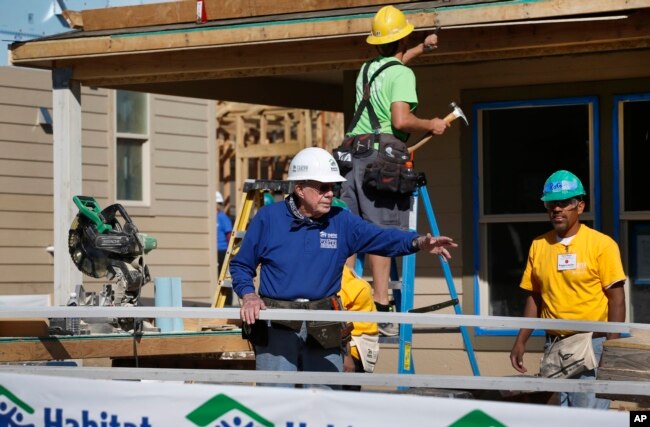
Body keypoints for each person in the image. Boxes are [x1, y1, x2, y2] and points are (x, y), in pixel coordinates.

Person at [230, 147, 458, 388]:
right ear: (299, 189)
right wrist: (249, 296)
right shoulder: (269, 218)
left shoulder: (341, 221)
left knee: (325, 400)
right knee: (275, 399)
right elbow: (241, 265)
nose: (330, 194)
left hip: (324, 322)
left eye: (333, 187)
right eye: (323, 188)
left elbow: (382, 237)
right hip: (277, 323)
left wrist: (420, 242)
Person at [339, 5, 450, 336]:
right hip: (382, 163)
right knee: (382, 231)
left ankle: (344, 297)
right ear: (402, 39)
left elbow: (393, 64)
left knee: (349, 231)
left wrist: (421, 48)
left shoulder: (367, 69)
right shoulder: (402, 74)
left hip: (352, 157)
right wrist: (431, 123)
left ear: (376, 43)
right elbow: (400, 120)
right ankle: (382, 305)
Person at [509, 170, 626, 409]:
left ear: (580, 207)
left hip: (591, 345)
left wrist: (611, 350)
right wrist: (521, 340)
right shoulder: (539, 245)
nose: (557, 209)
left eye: (564, 203)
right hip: (554, 345)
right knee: (557, 419)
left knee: (588, 420)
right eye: (551, 204)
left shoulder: (602, 245)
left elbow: (617, 301)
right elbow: (535, 297)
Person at [339, 265, 380, 391]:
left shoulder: (342, 268)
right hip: (349, 349)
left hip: (360, 346)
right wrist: (347, 356)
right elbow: (337, 317)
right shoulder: (336, 274)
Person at [216, 191, 233, 273]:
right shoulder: (211, 217)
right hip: (214, 251)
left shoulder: (223, 218)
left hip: (222, 251)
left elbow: (229, 235)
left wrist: (230, 252)